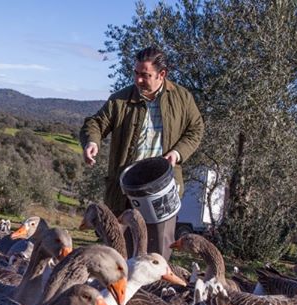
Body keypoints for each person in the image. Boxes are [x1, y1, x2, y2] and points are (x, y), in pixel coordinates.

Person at [80, 46, 204, 260]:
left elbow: (196, 129)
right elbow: (96, 123)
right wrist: (92, 141)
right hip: (125, 190)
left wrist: (177, 153)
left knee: (158, 254)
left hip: (162, 190)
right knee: (118, 253)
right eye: (136, 73)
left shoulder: (182, 99)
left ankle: (152, 293)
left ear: (161, 74)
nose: (138, 80)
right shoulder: (121, 99)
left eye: (145, 75)